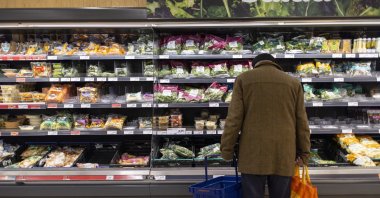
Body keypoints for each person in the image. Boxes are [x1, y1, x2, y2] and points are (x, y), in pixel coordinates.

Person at [220, 53, 311, 198]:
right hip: (284, 152)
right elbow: (302, 122)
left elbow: (233, 120)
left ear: (254, 65)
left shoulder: (244, 79)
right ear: (275, 64)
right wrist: (304, 153)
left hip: (252, 153)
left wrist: (227, 150)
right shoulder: (293, 83)